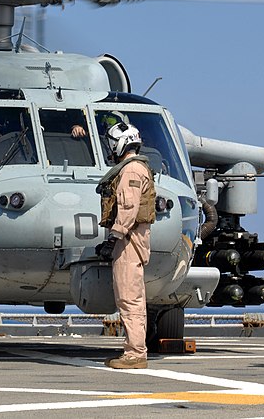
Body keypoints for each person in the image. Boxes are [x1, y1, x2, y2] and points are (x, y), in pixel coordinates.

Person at [95, 122, 155, 369]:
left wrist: (114, 237)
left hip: (129, 240)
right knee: (132, 296)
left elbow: (128, 209)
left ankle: (135, 354)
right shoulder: (137, 168)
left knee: (129, 298)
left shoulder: (130, 171)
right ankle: (134, 350)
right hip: (133, 238)